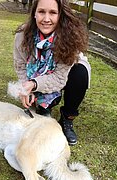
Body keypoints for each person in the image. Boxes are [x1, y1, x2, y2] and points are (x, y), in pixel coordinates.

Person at [13, 0, 91, 146]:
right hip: (37, 77)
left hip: (65, 75)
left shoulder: (70, 38)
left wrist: (34, 84)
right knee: (37, 102)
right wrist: (25, 88)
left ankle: (67, 118)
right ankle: (44, 105)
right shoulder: (22, 36)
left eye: (53, 13)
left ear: (60, 15)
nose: (46, 19)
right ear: (34, 13)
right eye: (41, 12)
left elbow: (59, 78)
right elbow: (21, 65)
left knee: (80, 73)